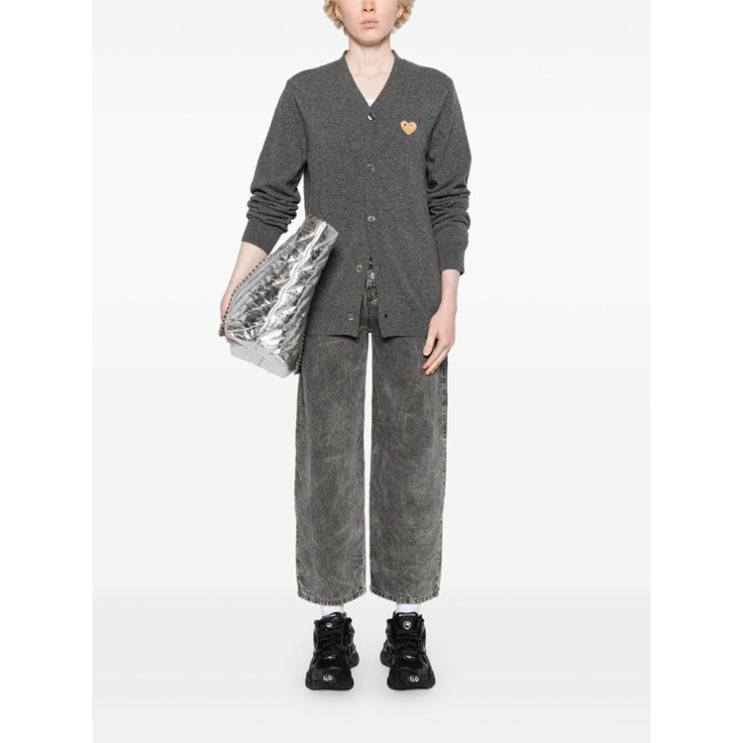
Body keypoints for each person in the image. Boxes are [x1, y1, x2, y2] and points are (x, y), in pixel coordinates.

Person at [220, 0, 471, 691]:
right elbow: (272, 199)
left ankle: (406, 624)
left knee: (412, 459)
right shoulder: (306, 92)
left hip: (416, 303)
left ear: (401, 6)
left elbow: (449, 202)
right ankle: (331, 627)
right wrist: (237, 284)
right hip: (324, 302)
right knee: (326, 460)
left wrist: (449, 301)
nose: (368, 4)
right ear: (333, 6)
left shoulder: (433, 91)